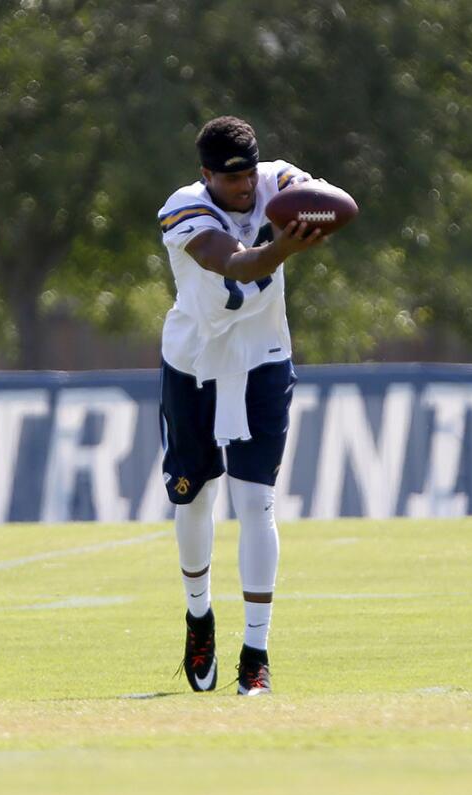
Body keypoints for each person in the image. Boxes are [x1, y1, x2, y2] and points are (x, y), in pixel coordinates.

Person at [156, 115, 325, 695]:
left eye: (249, 174)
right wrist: (283, 247)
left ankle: (256, 653)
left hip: (262, 357)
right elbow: (235, 264)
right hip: (195, 362)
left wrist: (317, 204)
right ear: (206, 176)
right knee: (196, 499)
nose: (245, 188)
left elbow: (331, 200)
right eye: (231, 180)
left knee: (256, 504)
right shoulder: (185, 210)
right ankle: (198, 615)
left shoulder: (274, 180)